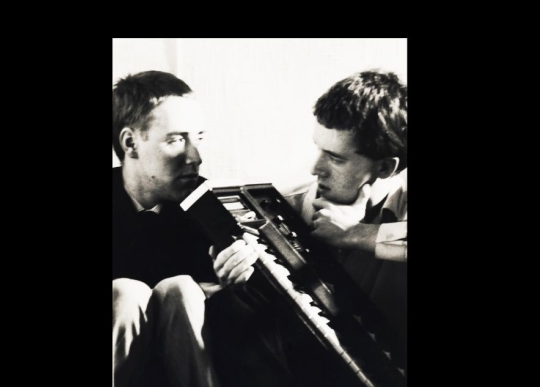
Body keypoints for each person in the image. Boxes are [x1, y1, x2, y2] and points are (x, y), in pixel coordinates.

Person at [112, 70, 291, 387]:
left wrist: (237, 285)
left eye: (199, 138)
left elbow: (269, 322)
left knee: (180, 289)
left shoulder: (215, 207)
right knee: (128, 293)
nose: (196, 157)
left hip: (196, 361)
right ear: (130, 143)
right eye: (176, 140)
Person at [282, 69, 407, 370]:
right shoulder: (286, 203)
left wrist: (354, 233)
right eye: (319, 149)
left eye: (336, 158)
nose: (316, 168)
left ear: (385, 168)